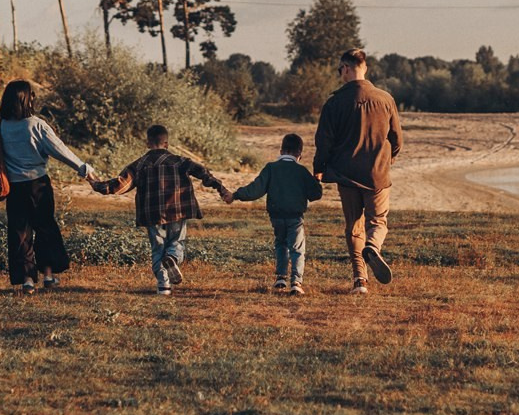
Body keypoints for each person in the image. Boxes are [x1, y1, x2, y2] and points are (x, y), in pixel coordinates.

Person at [0, 79, 100, 294]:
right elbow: (60, 150)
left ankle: (27, 280)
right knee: (45, 228)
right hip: (38, 186)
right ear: (27, 99)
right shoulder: (36, 124)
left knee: (19, 233)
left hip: (14, 189)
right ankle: (48, 276)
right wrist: (85, 169)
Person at [91, 125, 233, 296]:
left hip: (152, 214)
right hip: (177, 210)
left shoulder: (139, 165)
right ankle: (172, 258)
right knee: (176, 242)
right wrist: (220, 188)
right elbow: (203, 173)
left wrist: (95, 183)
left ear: (148, 143)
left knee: (158, 247)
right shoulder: (180, 161)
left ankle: (163, 285)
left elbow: (118, 186)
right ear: (166, 144)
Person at [314, 48, 402, 294]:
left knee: (353, 227)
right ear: (365, 69)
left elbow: (324, 141)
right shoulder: (386, 99)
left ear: (345, 68)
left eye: (339, 70)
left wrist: (318, 169)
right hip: (377, 175)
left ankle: (360, 280)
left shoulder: (334, 103)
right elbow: (397, 139)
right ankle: (373, 246)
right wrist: (388, 160)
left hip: (346, 175)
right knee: (378, 222)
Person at [231, 132, 323, 295]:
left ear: (281, 151)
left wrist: (236, 195)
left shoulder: (271, 168)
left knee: (281, 244)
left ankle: (281, 277)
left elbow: (255, 190)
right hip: (295, 216)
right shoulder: (301, 171)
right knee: (297, 248)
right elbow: (315, 194)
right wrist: (317, 180)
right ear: (299, 154)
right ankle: (296, 281)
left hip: (276, 215)